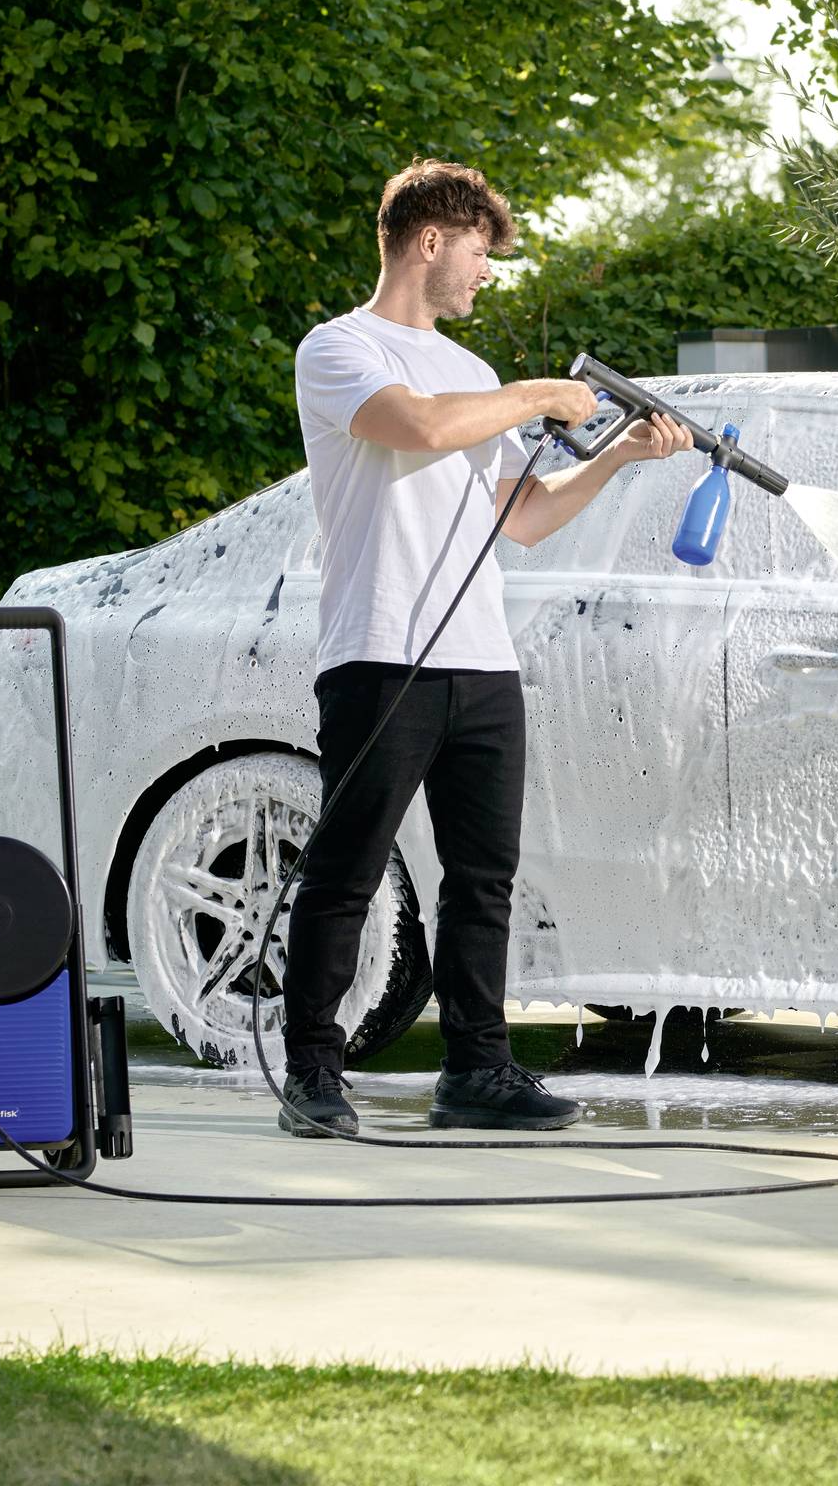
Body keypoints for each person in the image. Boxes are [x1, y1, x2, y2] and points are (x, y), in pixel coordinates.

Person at [278, 159, 691, 1137]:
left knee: (483, 879)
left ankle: (477, 1071)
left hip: (481, 660)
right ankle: (311, 1073)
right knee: (348, 867)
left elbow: (530, 515)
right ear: (430, 239)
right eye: (479, 250)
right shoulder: (339, 349)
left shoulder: (471, 373)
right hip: (380, 654)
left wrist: (622, 457)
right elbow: (413, 427)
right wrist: (538, 392)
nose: (488, 272)